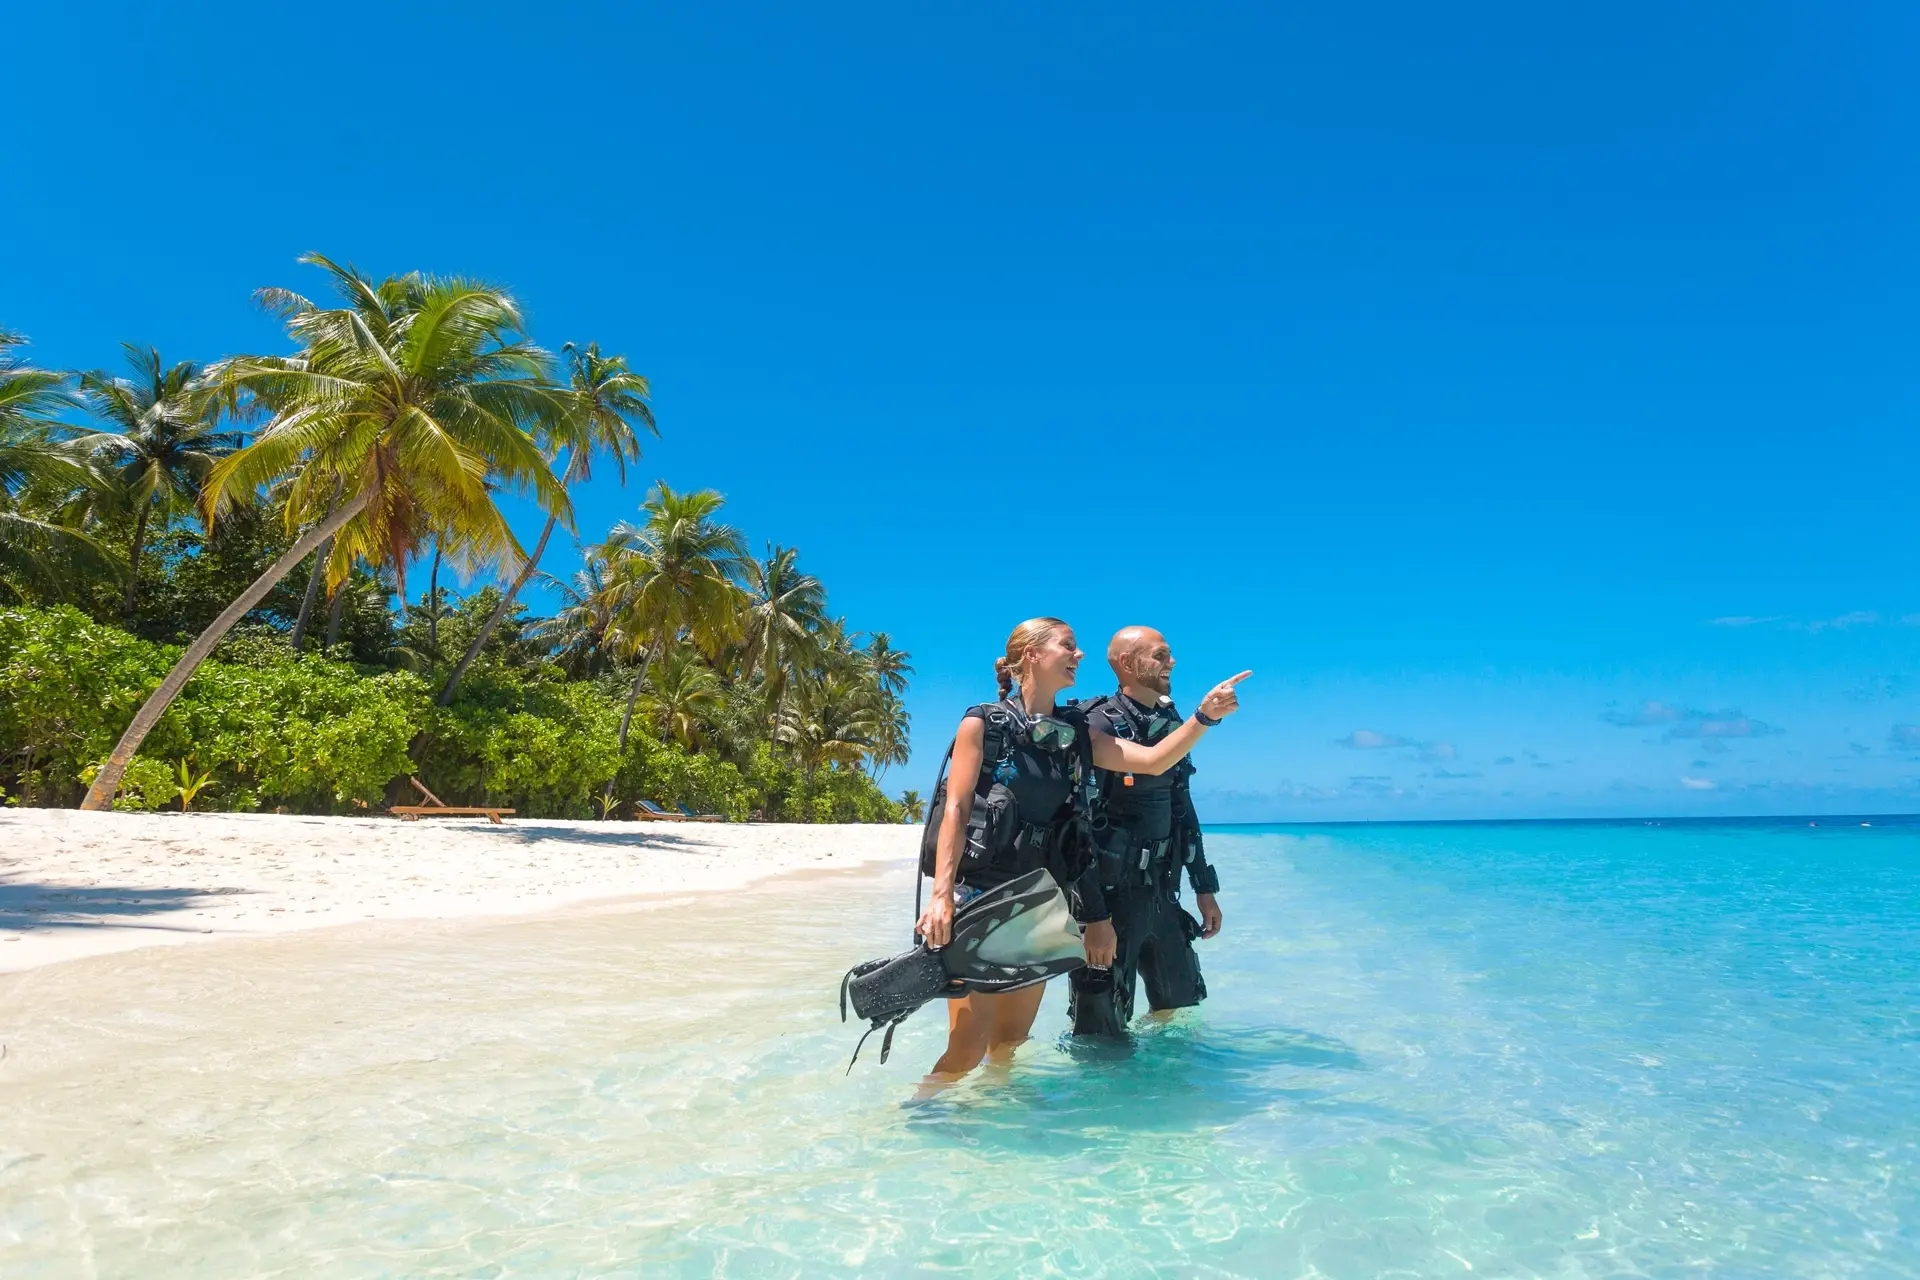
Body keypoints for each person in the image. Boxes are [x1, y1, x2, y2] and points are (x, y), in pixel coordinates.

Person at [915, 617, 1248, 1083]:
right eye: (1067, 646)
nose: (1079, 654)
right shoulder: (983, 723)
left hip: (1039, 903)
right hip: (982, 899)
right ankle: (918, 1120)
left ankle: (997, 1133)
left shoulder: (1075, 731)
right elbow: (955, 808)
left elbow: (1153, 762)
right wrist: (942, 896)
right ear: (1032, 654)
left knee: (1010, 1042)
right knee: (968, 1048)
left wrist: (1204, 717)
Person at [1068, 626, 1223, 1038]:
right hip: (1111, 901)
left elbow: (1182, 808)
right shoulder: (1095, 722)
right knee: (1101, 1035)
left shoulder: (1168, 719)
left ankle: (1165, 1098)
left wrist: (1203, 887)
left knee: (1180, 1016)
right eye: (1160, 655)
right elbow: (1075, 826)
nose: (1171, 662)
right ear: (1125, 663)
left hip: (1162, 893)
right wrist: (1094, 916)